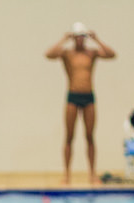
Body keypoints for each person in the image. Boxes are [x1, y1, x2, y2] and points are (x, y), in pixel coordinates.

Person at [45, 22, 115, 185]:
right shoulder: (67, 53)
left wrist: (97, 39)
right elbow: (49, 54)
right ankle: (67, 175)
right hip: (73, 97)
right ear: (73, 38)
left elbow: (112, 55)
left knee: (90, 137)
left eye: (82, 37)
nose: (79, 40)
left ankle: (92, 174)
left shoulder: (92, 53)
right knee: (69, 137)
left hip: (88, 97)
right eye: (77, 37)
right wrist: (63, 39)